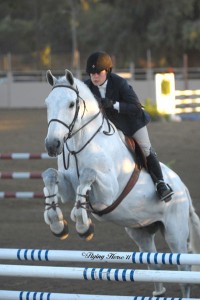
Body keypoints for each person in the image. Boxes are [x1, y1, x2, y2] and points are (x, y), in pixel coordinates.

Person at [84, 51, 174, 202]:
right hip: (111, 126)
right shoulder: (87, 87)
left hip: (132, 122)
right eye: (91, 73)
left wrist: (114, 104)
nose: (95, 77)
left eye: (98, 73)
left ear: (108, 71)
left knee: (146, 148)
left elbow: (135, 107)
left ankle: (160, 184)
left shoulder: (119, 83)